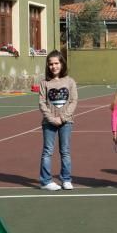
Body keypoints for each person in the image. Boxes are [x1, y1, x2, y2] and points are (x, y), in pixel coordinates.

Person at [38, 50, 78, 191]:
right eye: (50, 64)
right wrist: (51, 118)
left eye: (56, 63)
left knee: (65, 151)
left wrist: (62, 118)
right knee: (47, 151)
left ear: (62, 64)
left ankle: (66, 179)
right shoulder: (44, 83)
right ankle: (45, 181)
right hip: (48, 123)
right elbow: (42, 103)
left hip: (66, 122)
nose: (53, 66)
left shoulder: (70, 81)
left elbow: (73, 101)